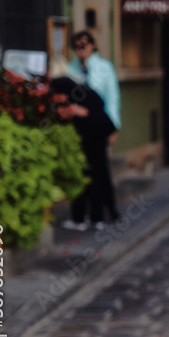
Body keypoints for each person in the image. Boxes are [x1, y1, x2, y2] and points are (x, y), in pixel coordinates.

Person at [65, 30, 121, 225]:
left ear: (92, 46)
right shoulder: (70, 68)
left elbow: (112, 97)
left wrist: (113, 127)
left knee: (100, 171)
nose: (80, 50)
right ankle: (85, 214)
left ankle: (106, 212)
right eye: (76, 46)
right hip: (79, 127)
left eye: (84, 45)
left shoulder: (104, 67)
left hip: (99, 125)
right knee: (81, 170)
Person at [50, 77, 119, 231]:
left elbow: (102, 121)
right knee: (83, 182)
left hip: (95, 146)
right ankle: (82, 218)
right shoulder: (69, 100)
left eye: (57, 94)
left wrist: (82, 113)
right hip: (82, 149)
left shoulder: (85, 96)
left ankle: (96, 218)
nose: (57, 98)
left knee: (96, 181)